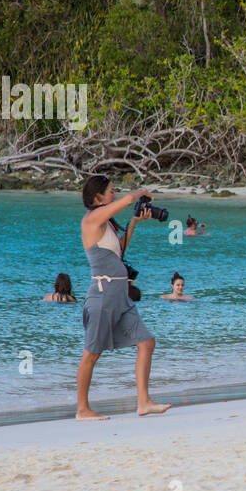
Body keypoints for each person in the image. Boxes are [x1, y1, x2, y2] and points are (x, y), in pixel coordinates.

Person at [76, 174, 171, 421]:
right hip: (103, 295)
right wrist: (142, 193)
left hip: (120, 295)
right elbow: (129, 198)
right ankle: (82, 409)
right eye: (110, 191)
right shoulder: (92, 219)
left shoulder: (105, 223)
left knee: (147, 342)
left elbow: (119, 251)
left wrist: (135, 222)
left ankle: (144, 402)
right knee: (92, 353)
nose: (114, 195)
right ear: (97, 197)